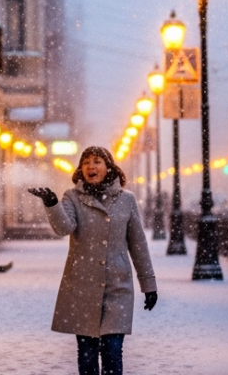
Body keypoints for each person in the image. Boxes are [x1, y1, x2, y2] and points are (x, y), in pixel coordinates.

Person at [29, 146, 157, 375]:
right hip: (83, 286)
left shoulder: (126, 200)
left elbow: (138, 244)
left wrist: (149, 285)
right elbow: (64, 227)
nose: (91, 166)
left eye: (97, 161)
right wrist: (51, 203)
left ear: (109, 167)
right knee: (87, 357)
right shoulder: (72, 197)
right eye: (86, 162)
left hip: (117, 286)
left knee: (112, 352)